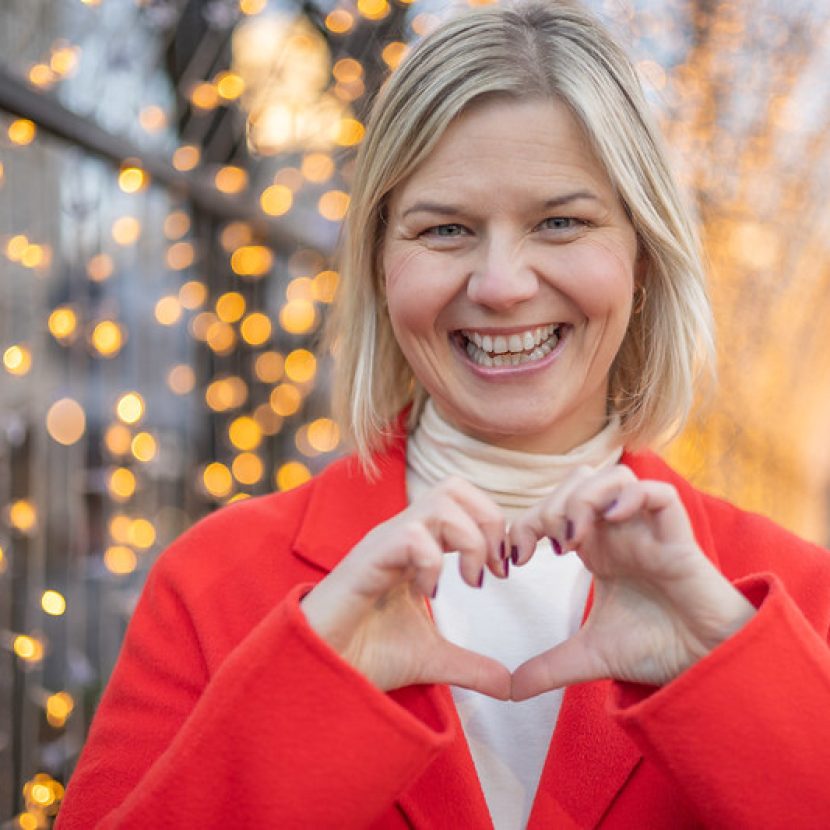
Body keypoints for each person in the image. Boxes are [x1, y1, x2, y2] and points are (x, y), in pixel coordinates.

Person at [57, 1, 830, 828]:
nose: (500, 285)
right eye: (446, 229)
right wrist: (305, 692)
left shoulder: (786, 595)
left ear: (642, 257)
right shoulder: (215, 584)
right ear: (382, 267)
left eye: (561, 222)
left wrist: (733, 676)